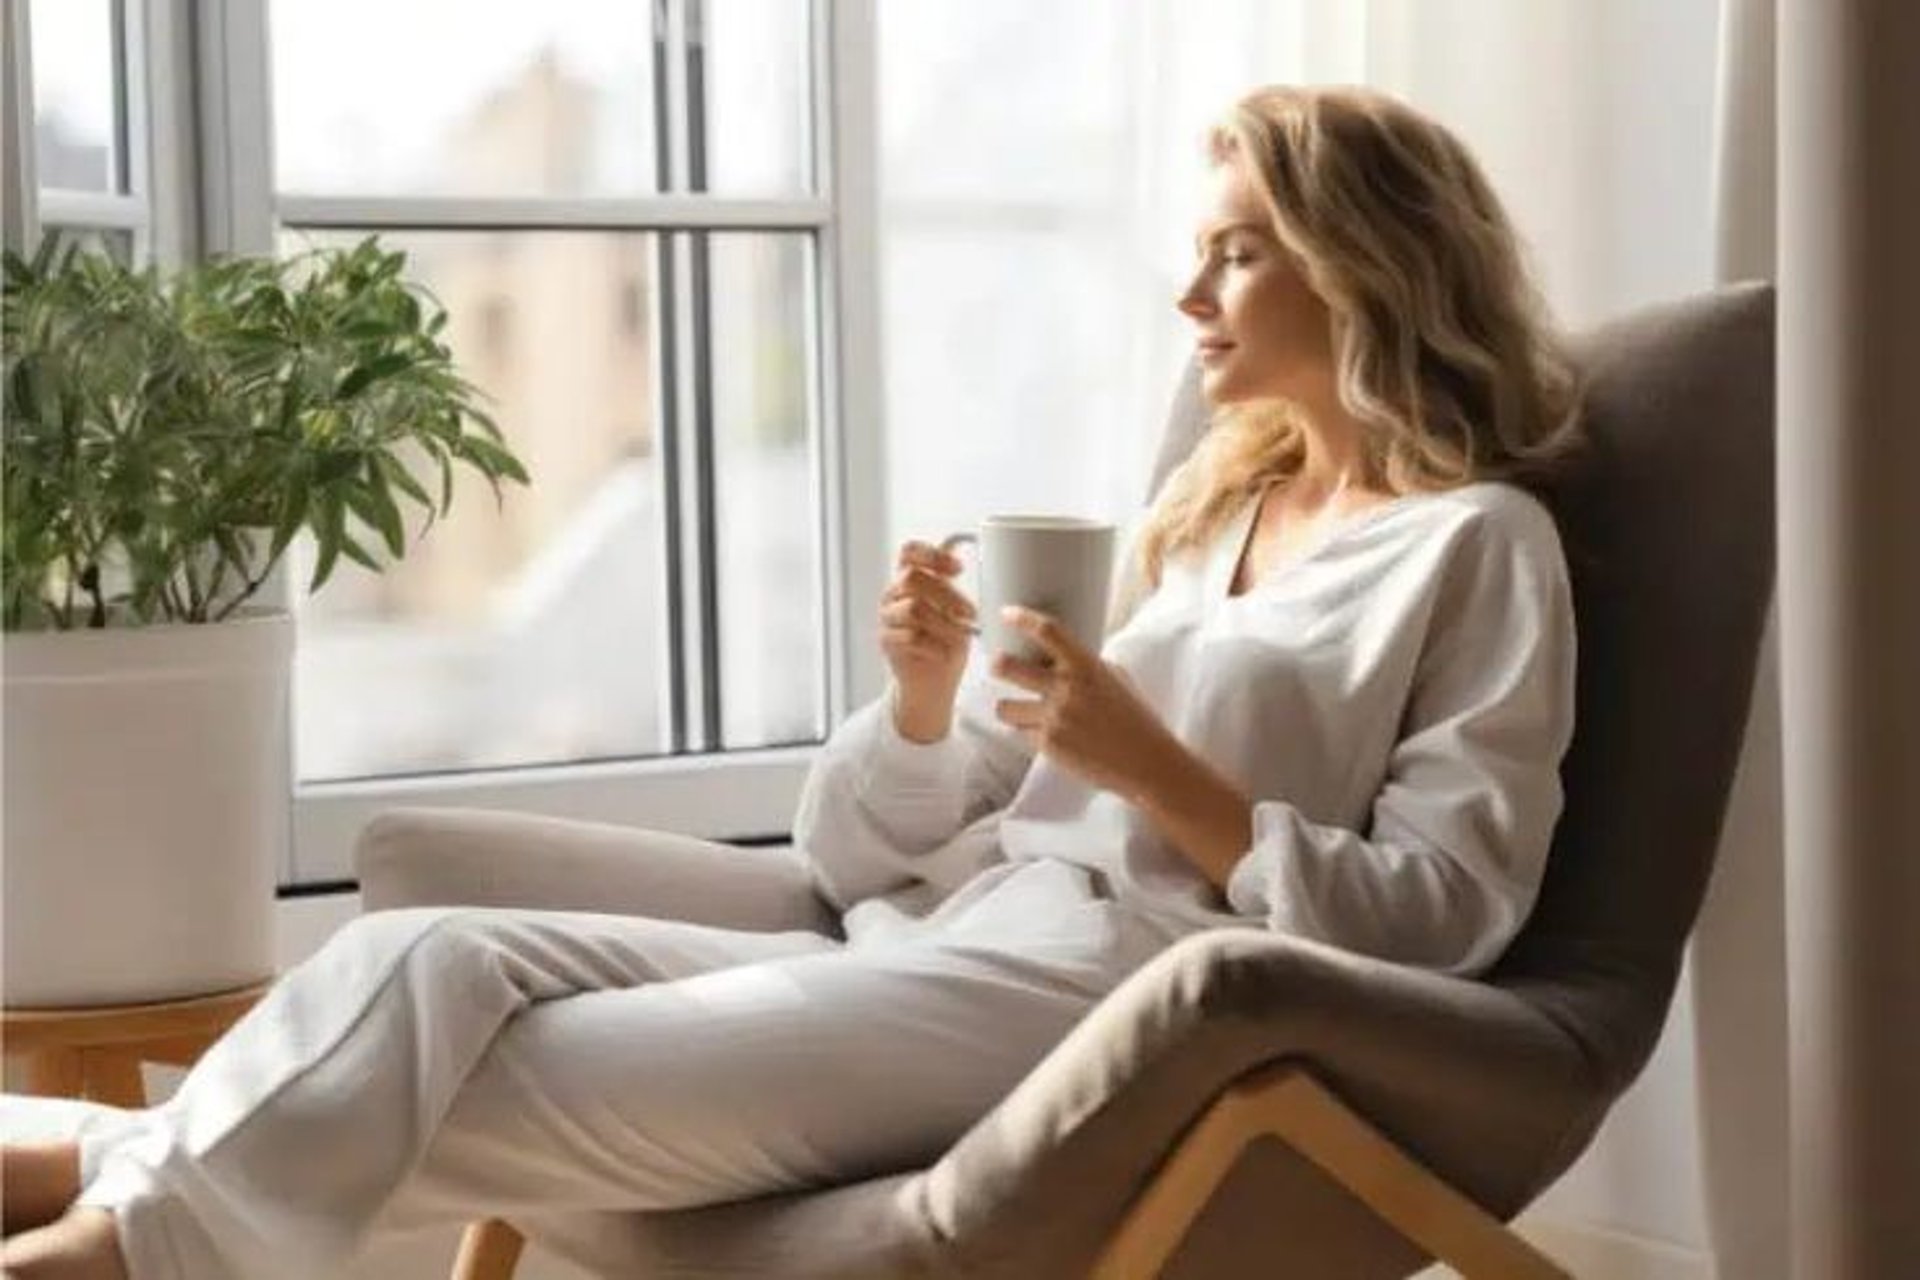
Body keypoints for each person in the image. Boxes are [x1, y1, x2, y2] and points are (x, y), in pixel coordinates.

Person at [0, 83, 1582, 1280]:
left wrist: (1156, 769)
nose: (1192, 301)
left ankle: (104, 1220)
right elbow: (857, 859)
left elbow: (1449, 917)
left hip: (1120, 995)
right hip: (962, 929)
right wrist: (922, 701)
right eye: (1200, 255)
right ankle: (109, 1193)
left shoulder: (1477, 549)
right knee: (422, 958)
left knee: (504, 1075)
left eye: (1238, 258)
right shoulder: (1213, 512)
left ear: (1367, 266)